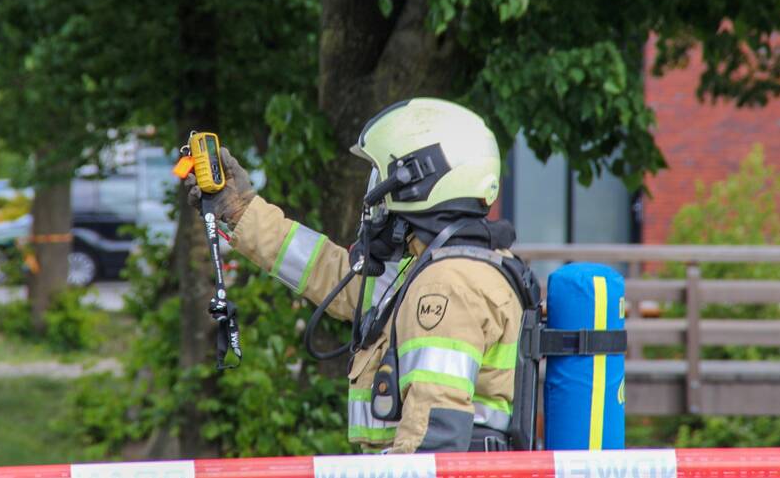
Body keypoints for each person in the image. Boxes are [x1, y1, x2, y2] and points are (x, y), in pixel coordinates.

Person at [183, 98, 524, 453]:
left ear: (419, 184)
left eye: (383, 178)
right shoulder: (437, 268)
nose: (375, 193)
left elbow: (434, 441)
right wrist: (240, 211)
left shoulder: (446, 286)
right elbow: (331, 274)